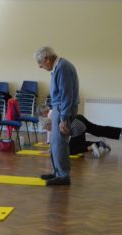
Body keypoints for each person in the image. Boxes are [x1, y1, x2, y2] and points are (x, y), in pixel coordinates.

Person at [35, 46, 79, 186]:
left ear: (47, 59)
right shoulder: (59, 68)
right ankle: (57, 172)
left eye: (40, 63)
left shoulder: (62, 68)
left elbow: (67, 95)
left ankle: (63, 175)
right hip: (58, 108)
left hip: (63, 109)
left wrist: (64, 119)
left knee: (60, 143)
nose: (40, 67)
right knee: (54, 143)